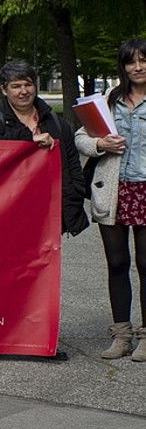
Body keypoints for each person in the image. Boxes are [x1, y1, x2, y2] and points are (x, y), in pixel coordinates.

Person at [0, 60, 88, 360]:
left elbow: (71, 165)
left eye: (27, 84)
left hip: (45, 215)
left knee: (42, 278)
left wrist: (74, 200)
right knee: (1, 276)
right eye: (16, 86)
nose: (23, 91)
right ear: (4, 90)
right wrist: (28, 141)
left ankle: (40, 340)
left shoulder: (56, 121)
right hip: (6, 213)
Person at [77, 39, 146, 362]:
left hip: (144, 189)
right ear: (123, 66)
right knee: (117, 264)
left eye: (143, 61)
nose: (138, 67)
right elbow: (81, 137)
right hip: (113, 191)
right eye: (131, 62)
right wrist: (101, 143)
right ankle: (122, 335)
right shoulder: (109, 100)